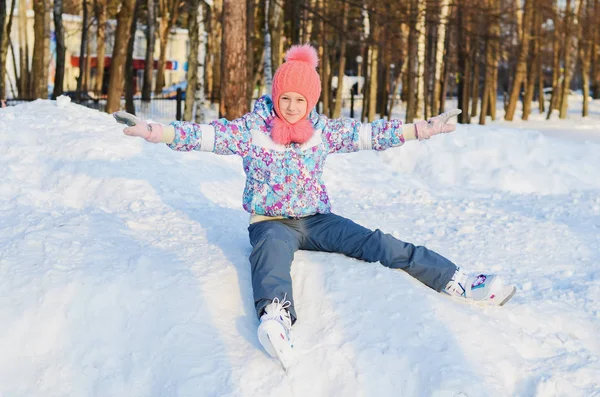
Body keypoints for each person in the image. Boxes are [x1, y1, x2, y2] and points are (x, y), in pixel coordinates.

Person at [115, 44, 516, 368]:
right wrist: (156, 131)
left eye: (299, 99)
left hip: (317, 219)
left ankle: (455, 278)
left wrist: (418, 129)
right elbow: (202, 135)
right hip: (270, 221)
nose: (291, 106)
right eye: (285, 97)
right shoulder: (251, 131)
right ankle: (276, 316)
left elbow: (370, 133)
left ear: (312, 100)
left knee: (378, 242)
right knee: (268, 255)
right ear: (275, 96)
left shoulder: (322, 132)